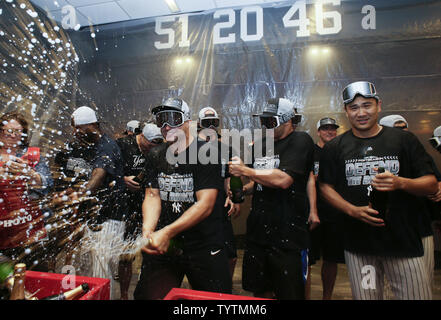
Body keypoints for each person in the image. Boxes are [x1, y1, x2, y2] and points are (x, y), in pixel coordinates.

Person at [318, 81, 437, 300]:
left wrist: (401, 183)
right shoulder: (335, 147)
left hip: (403, 244)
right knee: (367, 296)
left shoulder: (403, 140)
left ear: (379, 105)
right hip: (360, 248)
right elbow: (325, 186)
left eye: (367, 105)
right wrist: (351, 210)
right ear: (346, 111)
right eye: (354, 108)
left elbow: (430, 183)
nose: (361, 113)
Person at [134, 98, 232, 299]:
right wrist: (148, 231)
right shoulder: (156, 155)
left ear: (187, 121)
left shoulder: (207, 153)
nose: (166, 125)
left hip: (204, 244)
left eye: (174, 118)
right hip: (167, 244)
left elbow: (205, 204)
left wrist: (167, 232)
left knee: (216, 301)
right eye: (161, 119)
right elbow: (152, 195)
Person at [230, 98, 315, 299]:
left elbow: (283, 180)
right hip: (259, 231)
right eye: (263, 121)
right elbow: (258, 182)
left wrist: (244, 169)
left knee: (291, 292)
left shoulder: (300, 140)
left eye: (271, 122)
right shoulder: (260, 145)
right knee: (260, 290)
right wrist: (243, 189)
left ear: (287, 121)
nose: (265, 126)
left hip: (288, 232)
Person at [59, 106, 126, 299]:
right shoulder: (87, 148)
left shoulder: (107, 145)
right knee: (88, 276)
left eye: (80, 128)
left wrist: (75, 198)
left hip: (109, 221)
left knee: (101, 276)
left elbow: (97, 178)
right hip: (93, 221)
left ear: (93, 125)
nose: (76, 133)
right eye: (74, 129)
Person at [380, 114, 440, 288]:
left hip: (419, 225)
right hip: (385, 228)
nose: (403, 134)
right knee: (382, 283)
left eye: (405, 129)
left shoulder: (416, 152)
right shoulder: (374, 155)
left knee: (423, 280)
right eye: (397, 130)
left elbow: (434, 180)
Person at [116, 123, 164, 300]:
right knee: (126, 255)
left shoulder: (160, 150)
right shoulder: (123, 145)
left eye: (157, 144)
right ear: (142, 137)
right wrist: (123, 180)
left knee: (150, 252)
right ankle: (123, 295)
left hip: (150, 203)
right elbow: (107, 170)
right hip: (126, 206)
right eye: (151, 144)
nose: (154, 148)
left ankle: (148, 292)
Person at [0, 112, 53, 271]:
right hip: (2, 233)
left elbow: (48, 183)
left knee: (34, 280)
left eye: (17, 131)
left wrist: (31, 175)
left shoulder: (31, 156)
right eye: (8, 130)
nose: (13, 135)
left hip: (29, 232)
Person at [197, 106, 240, 279]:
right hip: (198, 209)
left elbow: (228, 177)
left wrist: (232, 196)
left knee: (230, 255)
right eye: (207, 123)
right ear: (199, 124)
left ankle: (225, 290)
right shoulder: (190, 149)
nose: (211, 126)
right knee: (200, 257)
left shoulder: (225, 149)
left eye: (214, 122)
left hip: (220, 208)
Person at [308, 117, 345, 300]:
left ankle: (327, 297)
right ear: (318, 131)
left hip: (334, 213)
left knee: (331, 259)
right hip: (312, 211)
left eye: (332, 129)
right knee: (307, 257)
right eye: (325, 128)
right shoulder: (310, 152)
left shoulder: (340, 152)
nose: (329, 131)